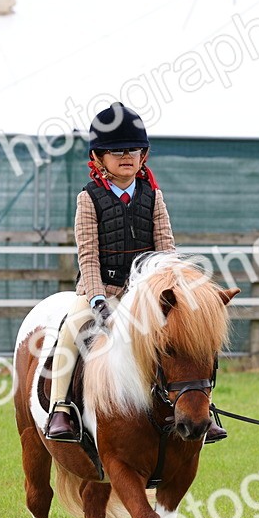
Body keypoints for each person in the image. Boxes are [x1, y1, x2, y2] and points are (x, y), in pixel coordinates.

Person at [44, 102, 227, 444]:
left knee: (189, 338)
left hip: (146, 297)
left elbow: (166, 248)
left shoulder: (153, 196)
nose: (125, 155)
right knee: (71, 331)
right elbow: (88, 252)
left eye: (133, 149)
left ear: (143, 156)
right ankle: (60, 408)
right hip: (104, 291)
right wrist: (97, 296)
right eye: (115, 150)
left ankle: (205, 408)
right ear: (99, 158)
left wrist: (177, 290)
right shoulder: (89, 198)